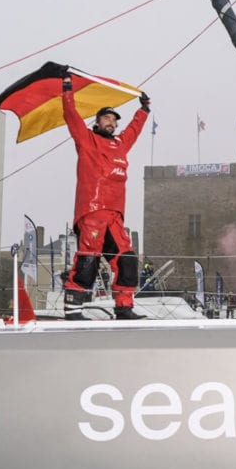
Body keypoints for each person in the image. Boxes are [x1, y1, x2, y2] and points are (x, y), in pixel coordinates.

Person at [60, 68, 150, 320]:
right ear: (97, 121)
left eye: (114, 120)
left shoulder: (120, 144)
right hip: (92, 211)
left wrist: (144, 109)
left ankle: (123, 307)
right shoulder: (86, 140)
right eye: (106, 118)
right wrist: (66, 86)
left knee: (127, 260)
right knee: (88, 259)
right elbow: (71, 115)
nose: (111, 122)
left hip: (114, 215)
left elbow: (134, 129)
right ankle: (73, 308)